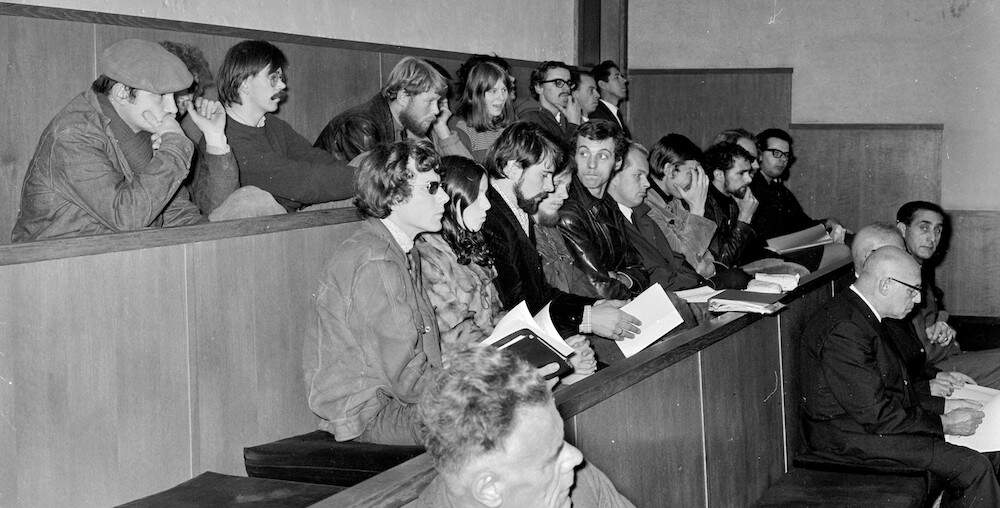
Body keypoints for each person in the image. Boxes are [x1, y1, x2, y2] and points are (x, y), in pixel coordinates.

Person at [800, 245, 1000, 507]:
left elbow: (888, 393)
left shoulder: (863, 316)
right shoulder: (846, 329)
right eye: (913, 290)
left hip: (867, 427)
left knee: (992, 449)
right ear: (885, 285)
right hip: (849, 440)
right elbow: (877, 415)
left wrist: (943, 405)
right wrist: (944, 422)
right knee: (974, 467)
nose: (918, 300)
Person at [303, 140, 446, 445]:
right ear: (394, 196)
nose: (444, 197)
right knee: (494, 416)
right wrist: (480, 386)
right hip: (370, 415)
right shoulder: (377, 261)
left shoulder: (397, 248)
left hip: (394, 402)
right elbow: (408, 379)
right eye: (432, 188)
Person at [12, 38, 214, 242]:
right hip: (54, 264)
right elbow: (127, 217)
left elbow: (176, 213)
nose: (171, 108)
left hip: (115, 259)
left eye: (174, 96)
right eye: (161, 96)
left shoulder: (143, 128)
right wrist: (174, 149)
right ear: (122, 94)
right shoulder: (73, 135)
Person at [418, 155, 596, 384]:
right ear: (452, 198)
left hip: (501, 367)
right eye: (478, 196)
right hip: (471, 382)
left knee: (581, 363)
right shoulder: (428, 259)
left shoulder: (471, 246)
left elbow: (501, 319)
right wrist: (544, 362)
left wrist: (557, 346)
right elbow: (460, 343)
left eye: (486, 195)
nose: (488, 205)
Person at [407, 344, 635, 508]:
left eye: (561, 442)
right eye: (551, 456)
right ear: (490, 489)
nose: (576, 457)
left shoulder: (580, 483)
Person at [481, 122, 640, 342]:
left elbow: (541, 292)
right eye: (545, 175)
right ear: (512, 168)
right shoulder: (490, 218)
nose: (549, 187)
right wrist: (586, 317)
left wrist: (592, 305)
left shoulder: (517, 208)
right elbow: (518, 306)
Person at [215, 40, 355, 211]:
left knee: (366, 166)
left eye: (280, 78)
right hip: (259, 234)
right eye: (273, 78)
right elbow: (299, 181)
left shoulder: (272, 124)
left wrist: (365, 174)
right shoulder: (224, 136)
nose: (282, 85)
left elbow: (314, 157)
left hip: (289, 219)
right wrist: (367, 180)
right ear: (244, 84)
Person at [851, 223, 976, 404]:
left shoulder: (895, 297)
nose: (908, 260)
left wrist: (936, 375)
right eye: (899, 254)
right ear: (871, 258)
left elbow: (908, 362)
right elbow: (874, 401)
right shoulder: (854, 317)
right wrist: (935, 404)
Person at [896, 201, 1000, 389]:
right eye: (924, 228)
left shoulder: (918, 267)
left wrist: (942, 325)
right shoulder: (898, 275)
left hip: (946, 354)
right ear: (903, 229)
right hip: (928, 371)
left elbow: (932, 318)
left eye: (937, 230)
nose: (932, 238)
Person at [314, 56, 470, 161]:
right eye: (429, 102)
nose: (436, 111)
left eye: (438, 103)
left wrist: (440, 127)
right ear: (403, 96)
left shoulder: (405, 123)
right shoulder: (361, 125)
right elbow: (378, 189)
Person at [557, 120, 649, 299]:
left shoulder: (609, 204)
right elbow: (600, 290)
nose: (591, 164)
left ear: (617, 162)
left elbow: (641, 271)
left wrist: (619, 277)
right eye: (584, 154)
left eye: (603, 156)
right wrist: (623, 279)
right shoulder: (567, 212)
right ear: (574, 157)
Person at [608, 143, 705, 291]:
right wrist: (697, 209)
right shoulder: (609, 222)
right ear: (613, 176)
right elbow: (660, 276)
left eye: (646, 176)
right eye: (638, 175)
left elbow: (679, 262)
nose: (647, 184)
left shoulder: (641, 214)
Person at [749, 128, 845, 242]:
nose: (783, 159)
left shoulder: (779, 189)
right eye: (777, 153)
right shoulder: (750, 187)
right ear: (759, 154)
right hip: (769, 253)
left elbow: (802, 223)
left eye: (786, 155)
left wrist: (827, 223)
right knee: (842, 251)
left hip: (787, 247)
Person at [702, 142, 759, 267]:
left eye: (749, 173)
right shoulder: (704, 205)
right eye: (741, 173)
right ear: (719, 174)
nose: (749, 179)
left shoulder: (734, 199)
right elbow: (721, 264)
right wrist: (744, 219)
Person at [449, 60, 516, 163]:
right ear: (476, 94)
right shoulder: (460, 127)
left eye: (504, 90)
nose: (501, 97)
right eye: (493, 91)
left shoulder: (510, 124)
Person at [517, 61, 581, 148]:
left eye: (568, 83)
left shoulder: (568, 115)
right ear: (539, 87)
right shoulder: (529, 120)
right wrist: (573, 125)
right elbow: (557, 159)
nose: (567, 89)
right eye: (558, 83)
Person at [589, 60, 630, 138]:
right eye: (617, 77)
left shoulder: (614, 112)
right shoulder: (598, 116)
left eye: (622, 77)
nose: (624, 80)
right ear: (602, 85)